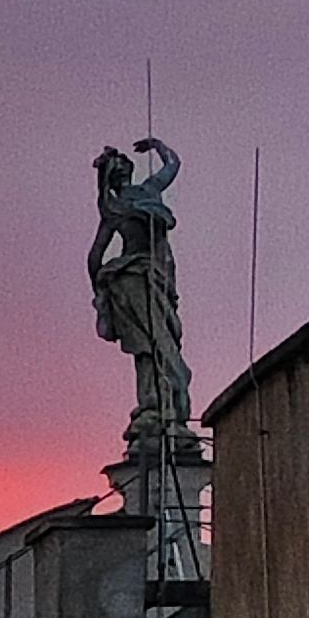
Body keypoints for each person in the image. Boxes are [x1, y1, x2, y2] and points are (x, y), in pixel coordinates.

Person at [89, 138, 190, 436]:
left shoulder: (116, 206)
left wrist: (98, 290)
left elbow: (95, 256)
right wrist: (158, 146)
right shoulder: (146, 194)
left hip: (138, 278)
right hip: (138, 279)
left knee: (151, 345)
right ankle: (158, 405)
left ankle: (158, 403)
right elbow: (173, 163)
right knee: (154, 343)